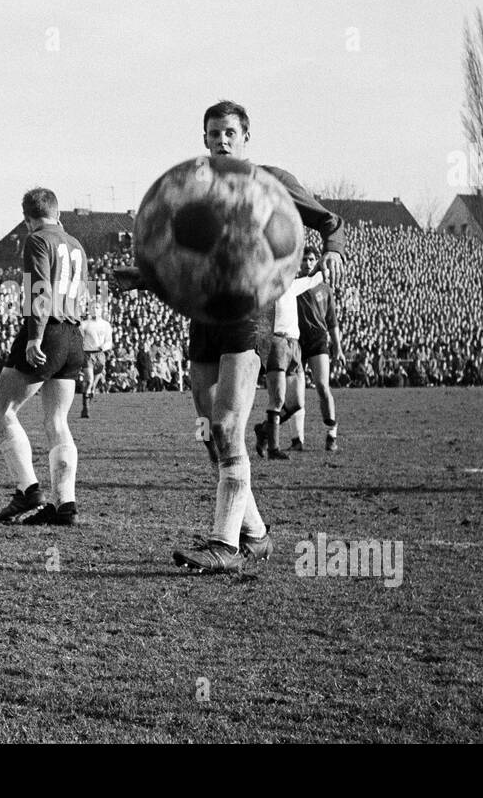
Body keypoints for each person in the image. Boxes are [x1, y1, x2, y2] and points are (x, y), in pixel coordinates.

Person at [118, 100, 344, 574]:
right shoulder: (195, 187)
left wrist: (333, 252)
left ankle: (225, 544)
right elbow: (185, 256)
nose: (222, 140)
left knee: (226, 424)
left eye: (230, 133)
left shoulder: (270, 181)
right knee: (208, 430)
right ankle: (255, 534)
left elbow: (328, 221)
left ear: (245, 137)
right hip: (202, 314)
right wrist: (146, 275)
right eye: (214, 132)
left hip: (248, 311)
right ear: (204, 139)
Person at [0, 188, 86, 526]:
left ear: (26, 217)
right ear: (58, 214)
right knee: (57, 422)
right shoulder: (76, 243)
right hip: (75, 336)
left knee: (3, 411)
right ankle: (66, 505)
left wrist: (34, 337)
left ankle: (28, 489)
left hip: (48, 331)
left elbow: (39, 290)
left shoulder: (36, 240)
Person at [274, 245, 343, 453]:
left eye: (312, 259)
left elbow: (332, 321)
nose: (308, 263)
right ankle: (297, 440)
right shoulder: (291, 285)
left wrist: (338, 347)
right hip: (295, 341)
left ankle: (331, 432)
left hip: (317, 339)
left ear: (316, 262)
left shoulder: (324, 287)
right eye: (304, 259)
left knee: (322, 386)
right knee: (296, 394)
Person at [78, 299, 113, 418]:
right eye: (92, 307)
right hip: (87, 354)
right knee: (89, 380)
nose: (94, 309)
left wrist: (104, 346)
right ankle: (85, 408)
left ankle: (88, 399)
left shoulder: (106, 325)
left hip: (100, 355)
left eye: (97, 307)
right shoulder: (84, 324)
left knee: (93, 385)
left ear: (101, 310)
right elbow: (78, 338)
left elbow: (109, 341)